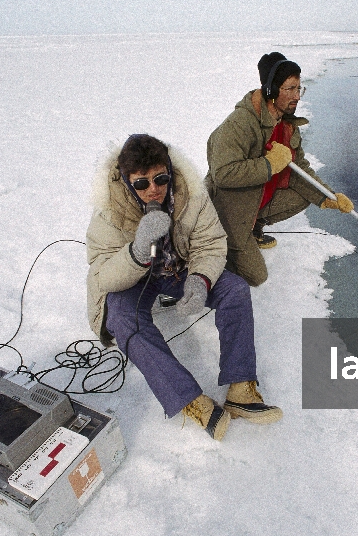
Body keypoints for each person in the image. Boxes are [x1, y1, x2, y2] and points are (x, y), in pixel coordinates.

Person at [85, 134, 282, 441]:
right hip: (137, 277)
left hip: (179, 267)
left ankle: (241, 387)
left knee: (235, 290)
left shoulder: (191, 194)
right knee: (123, 318)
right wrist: (137, 251)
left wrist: (200, 279)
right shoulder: (109, 213)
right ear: (126, 182)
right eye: (142, 183)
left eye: (160, 179)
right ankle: (188, 398)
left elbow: (211, 242)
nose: (154, 190)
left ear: (170, 171)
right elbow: (103, 277)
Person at [206, 52, 353, 287]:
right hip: (230, 211)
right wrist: (269, 165)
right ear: (271, 91)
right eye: (290, 89)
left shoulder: (286, 123)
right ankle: (216, 251)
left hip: (256, 202)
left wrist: (328, 196)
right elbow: (222, 174)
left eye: (299, 88)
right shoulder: (240, 124)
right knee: (256, 276)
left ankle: (254, 229)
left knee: (305, 195)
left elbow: (299, 168)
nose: (297, 96)